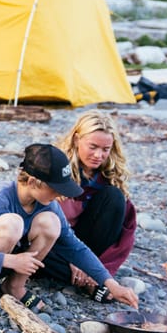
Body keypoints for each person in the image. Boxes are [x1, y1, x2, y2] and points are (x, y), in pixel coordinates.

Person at [0, 143, 138, 315]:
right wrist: (10, 260)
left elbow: (74, 247)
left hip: (8, 262)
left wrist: (111, 284)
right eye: (56, 188)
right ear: (33, 181)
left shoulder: (47, 204)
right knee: (13, 223)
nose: (61, 194)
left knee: (51, 223)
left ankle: (15, 286)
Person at [36, 111, 137, 302]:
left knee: (114, 197)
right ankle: (92, 282)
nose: (99, 155)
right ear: (76, 139)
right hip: (54, 242)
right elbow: (36, 220)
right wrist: (71, 259)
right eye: (93, 147)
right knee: (30, 251)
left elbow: (124, 234)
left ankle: (91, 274)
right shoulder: (56, 169)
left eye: (106, 149)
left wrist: (94, 264)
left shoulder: (109, 177)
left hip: (87, 247)